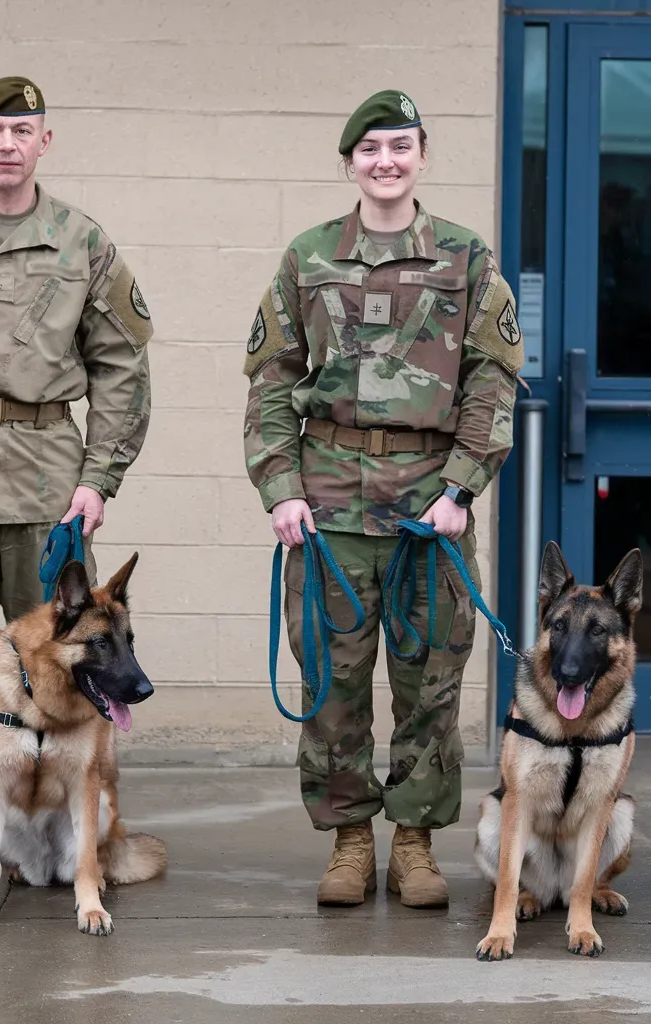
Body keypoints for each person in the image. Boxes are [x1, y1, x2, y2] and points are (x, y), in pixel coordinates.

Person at [243, 90, 524, 909]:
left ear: (423, 155)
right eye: (370, 150)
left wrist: (463, 489)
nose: (386, 162)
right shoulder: (309, 256)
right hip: (327, 509)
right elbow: (271, 384)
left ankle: (414, 843)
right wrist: (280, 488)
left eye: (400, 147)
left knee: (430, 684)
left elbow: (492, 381)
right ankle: (350, 841)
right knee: (332, 686)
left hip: (426, 512)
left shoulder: (467, 258)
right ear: (349, 164)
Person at [0, 77, 153, 871]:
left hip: (49, 480)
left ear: (44, 142)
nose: (6, 143)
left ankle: (79, 837)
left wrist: (100, 475)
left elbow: (123, 365)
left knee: (63, 668)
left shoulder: (83, 242)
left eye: (22, 128)